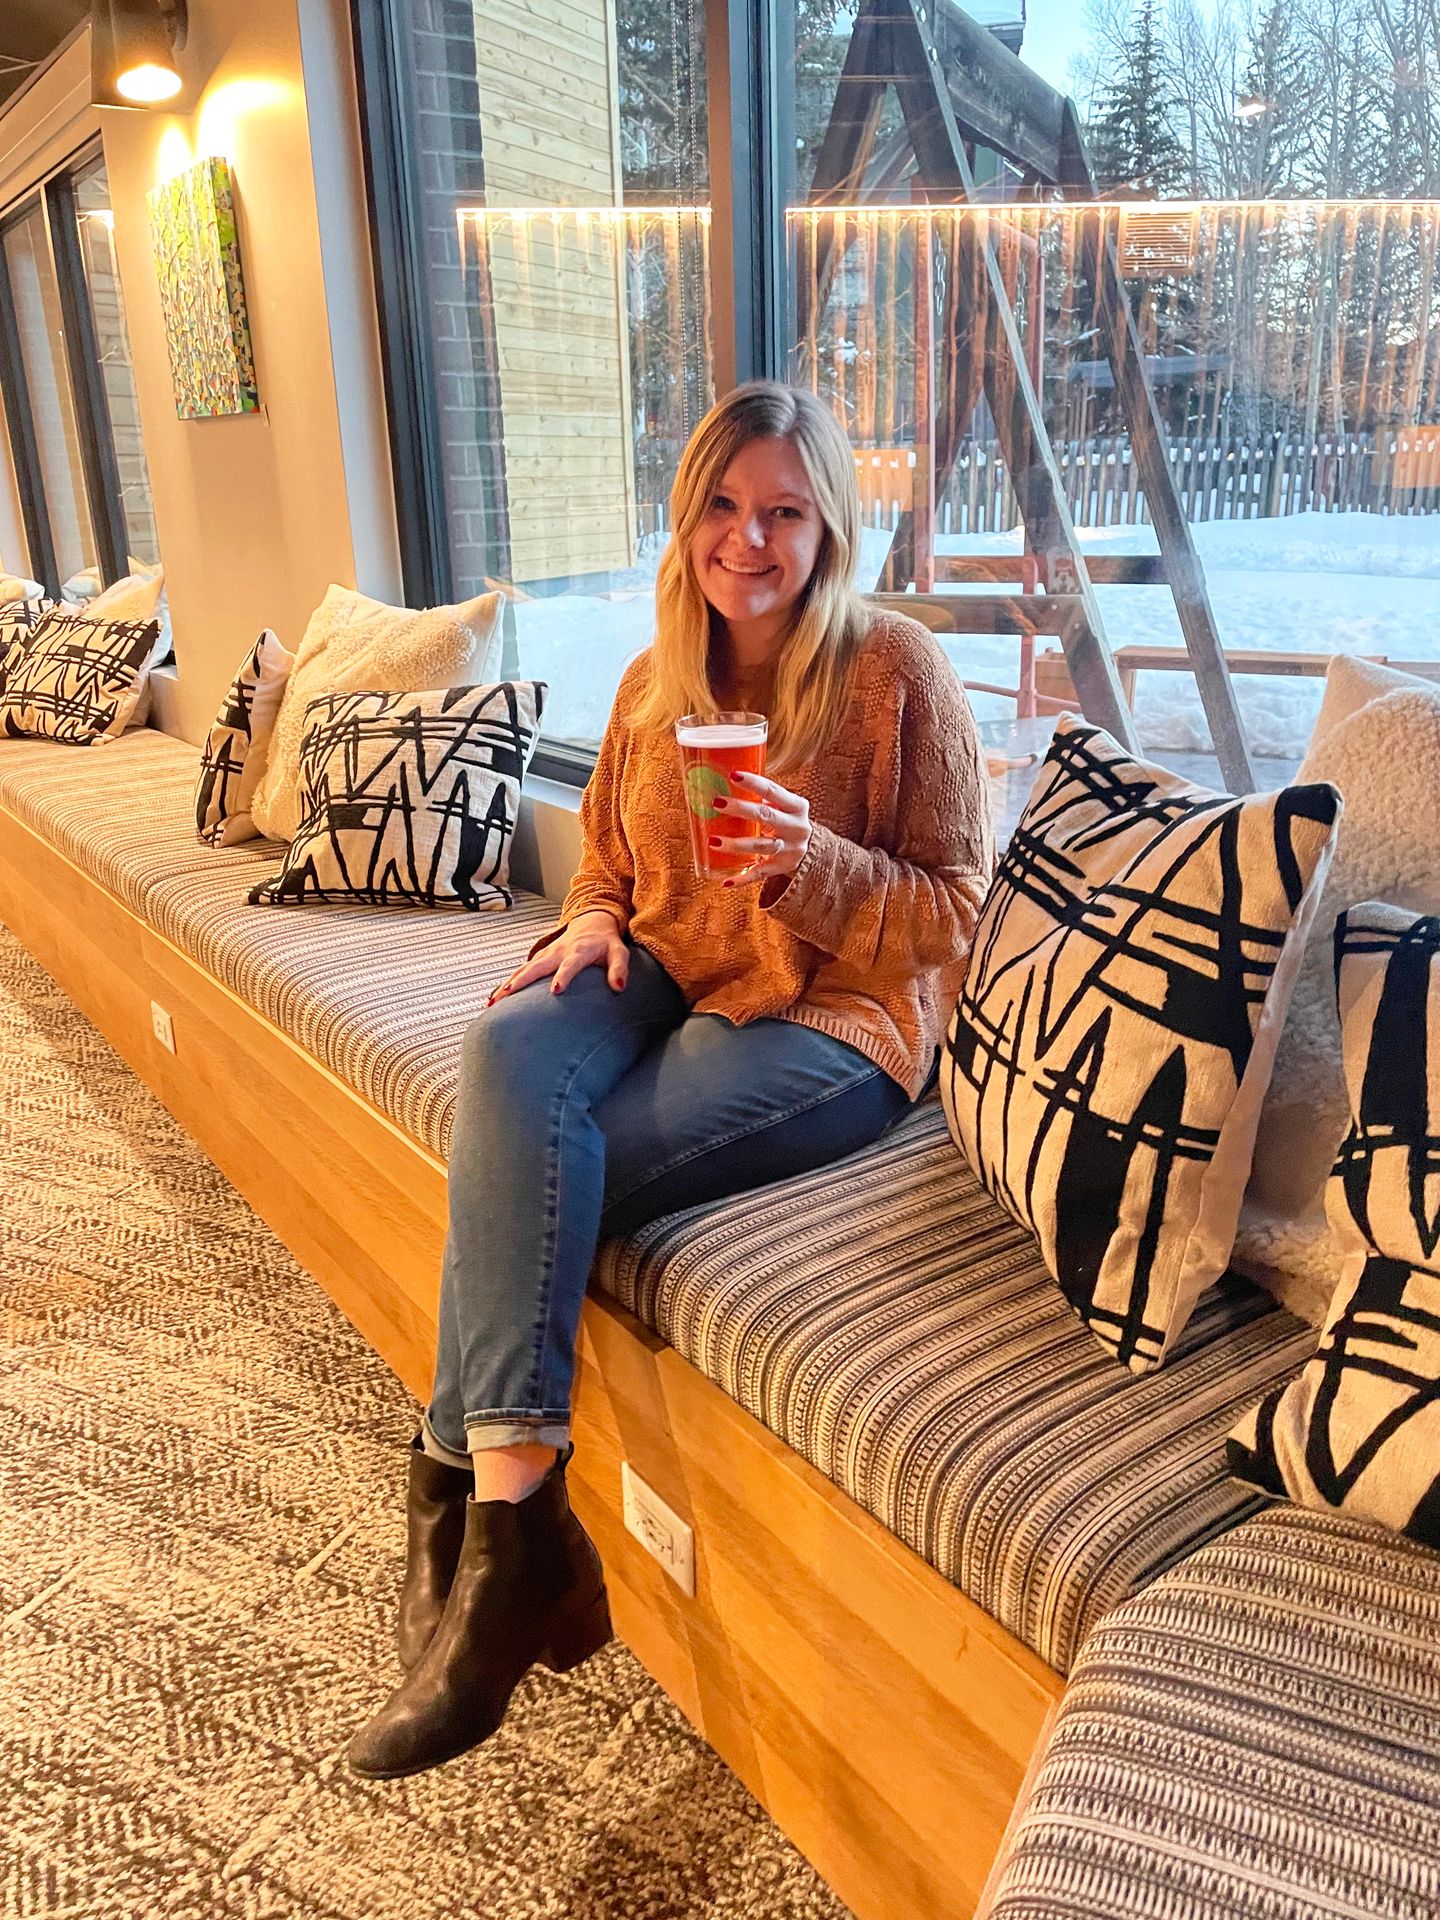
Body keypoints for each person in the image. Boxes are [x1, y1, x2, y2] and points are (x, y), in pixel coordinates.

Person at [346, 380, 995, 1779]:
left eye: (784, 513)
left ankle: (459, 1480)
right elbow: (609, 868)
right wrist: (583, 919)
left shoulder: (893, 671)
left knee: (527, 1179)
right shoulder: (655, 680)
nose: (747, 541)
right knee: (509, 1046)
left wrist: (809, 867)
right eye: (722, 504)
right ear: (687, 509)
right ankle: (522, 1524)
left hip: (835, 1018)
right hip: (665, 968)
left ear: (829, 530)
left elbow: (953, 909)